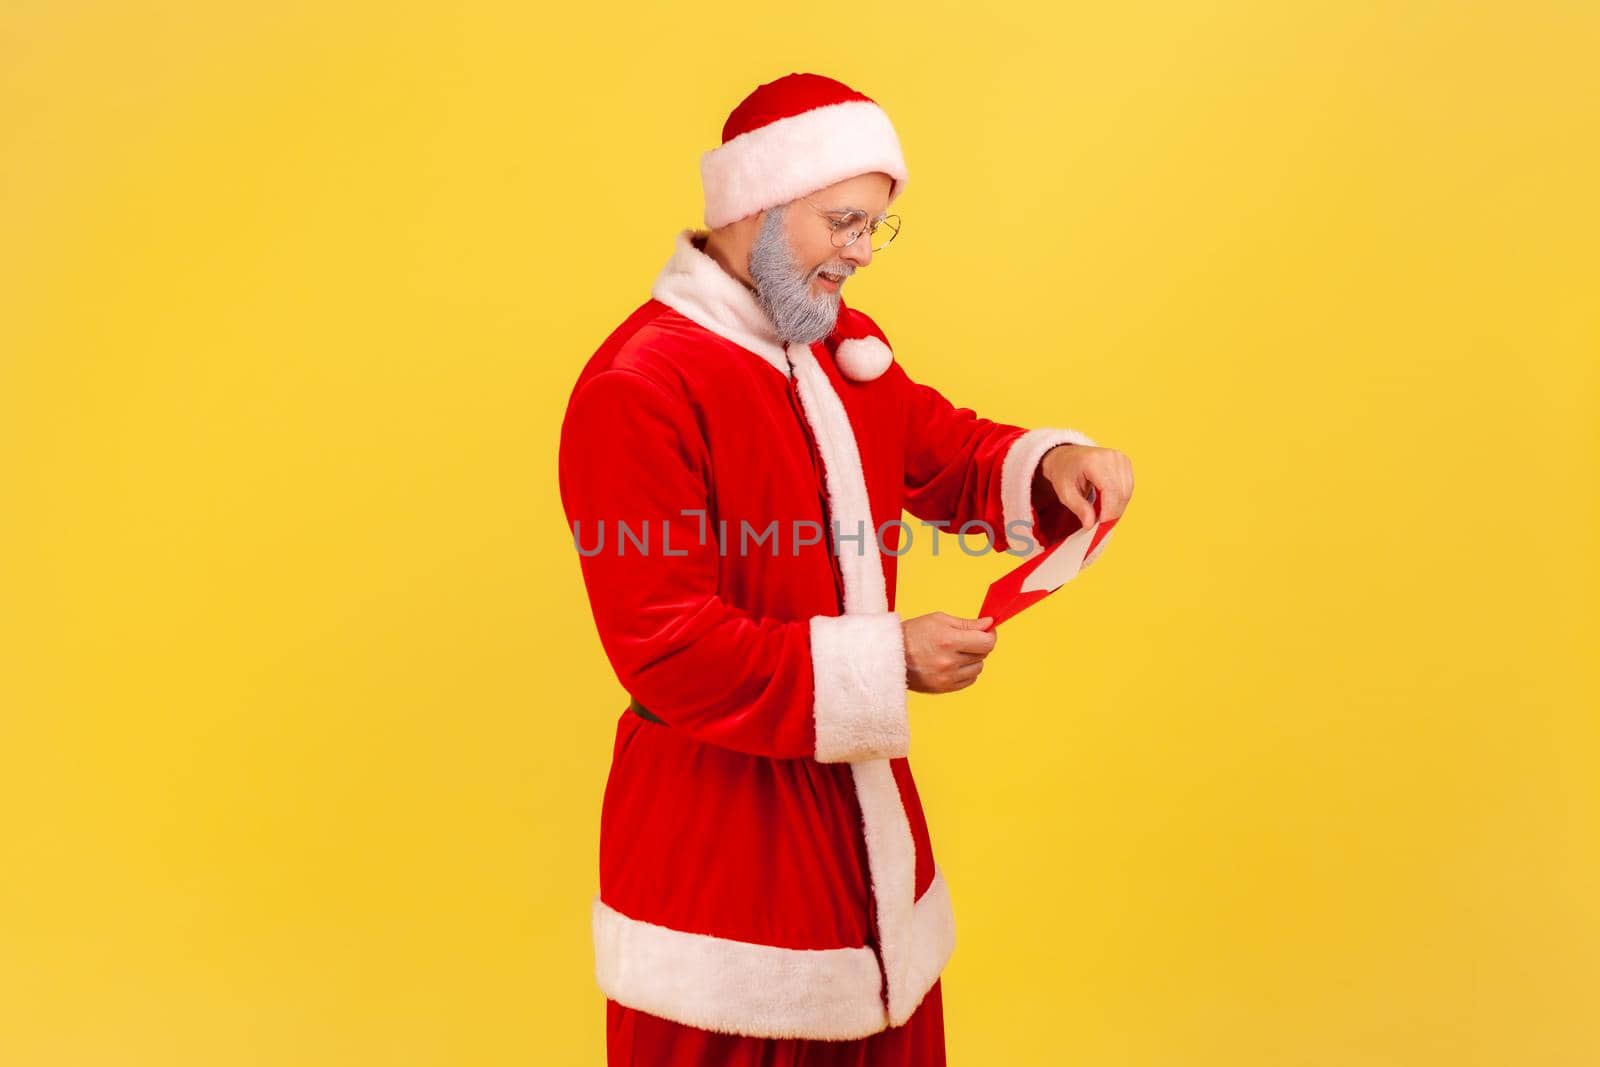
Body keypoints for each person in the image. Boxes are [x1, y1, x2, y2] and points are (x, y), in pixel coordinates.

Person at [557, 72, 1135, 1066]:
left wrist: (1054, 466)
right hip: (722, 861)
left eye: (877, 225)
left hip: (866, 846)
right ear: (756, 202)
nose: (862, 251)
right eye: (844, 221)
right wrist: (886, 660)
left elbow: (941, 451)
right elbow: (667, 646)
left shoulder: (840, 350)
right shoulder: (640, 385)